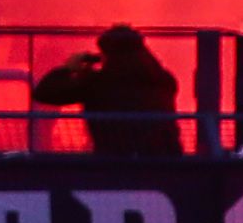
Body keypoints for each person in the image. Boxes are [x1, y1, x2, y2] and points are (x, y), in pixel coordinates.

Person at [30, 21, 183, 159]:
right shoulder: (164, 80)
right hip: (165, 162)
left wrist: (69, 68)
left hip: (112, 163)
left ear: (106, 54)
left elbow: (44, 93)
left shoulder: (97, 83)